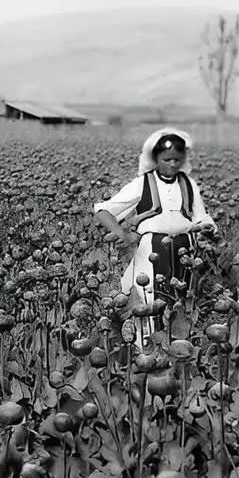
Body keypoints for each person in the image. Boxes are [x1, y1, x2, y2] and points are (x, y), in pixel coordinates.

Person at [94, 128, 217, 345]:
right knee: (148, 299)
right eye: (167, 159)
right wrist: (121, 233)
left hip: (185, 251)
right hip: (152, 250)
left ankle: (178, 349)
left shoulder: (189, 184)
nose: (172, 164)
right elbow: (104, 210)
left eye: (177, 160)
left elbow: (200, 215)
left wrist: (206, 227)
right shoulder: (143, 182)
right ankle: (146, 350)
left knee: (181, 302)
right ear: (156, 158)